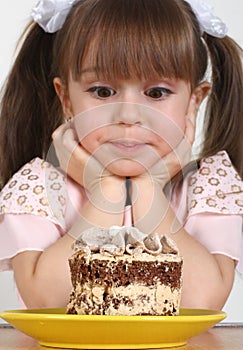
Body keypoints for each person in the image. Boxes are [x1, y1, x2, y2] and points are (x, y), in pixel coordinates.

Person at [0, 0, 242, 310]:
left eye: (156, 93)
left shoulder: (210, 186)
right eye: (102, 91)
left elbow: (201, 302)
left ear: (194, 102)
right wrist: (106, 191)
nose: (128, 115)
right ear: (67, 100)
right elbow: (49, 302)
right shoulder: (37, 187)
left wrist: (148, 189)